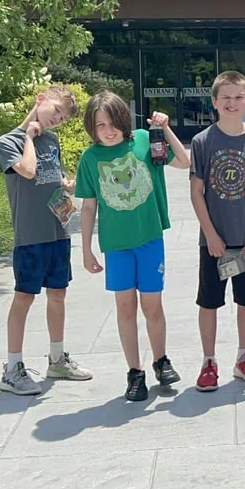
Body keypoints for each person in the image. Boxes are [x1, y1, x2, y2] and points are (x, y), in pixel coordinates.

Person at [76, 92, 191, 402]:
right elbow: (88, 207)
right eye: (100, 125)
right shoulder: (89, 159)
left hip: (150, 239)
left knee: (152, 306)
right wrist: (86, 249)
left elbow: (184, 161)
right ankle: (134, 372)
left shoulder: (144, 139)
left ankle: (161, 360)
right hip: (116, 246)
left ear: (124, 121)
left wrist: (165, 129)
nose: (108, 130)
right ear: (92, 127)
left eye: (113, 123)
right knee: (125, 307)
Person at [0, 85, 92, 396]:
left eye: (62, 118)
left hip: (57, 230)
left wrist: (68, 184)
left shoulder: (52, 140)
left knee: (58, 294)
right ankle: (12, 368)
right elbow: (27, 170)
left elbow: (52, 176)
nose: (57, 120)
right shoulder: (8, 141)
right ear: (40, 101)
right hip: (30, 234)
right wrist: (28, 136)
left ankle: (57, 358)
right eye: (55, 112)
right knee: (24, 297)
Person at [189, 71, 245, 392]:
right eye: (224, 97)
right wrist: (211, 234)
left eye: (238, 97)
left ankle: (244, 358)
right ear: (214, 102)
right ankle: (208, 361)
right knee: (209, 302)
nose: (231, 102)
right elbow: (196, 191)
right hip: (214, 241)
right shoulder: (203, 141)